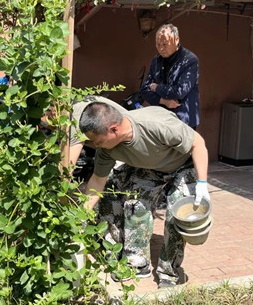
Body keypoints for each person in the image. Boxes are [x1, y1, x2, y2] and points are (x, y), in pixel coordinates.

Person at [80, 102, 210, 288]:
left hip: (184, 164)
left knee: (177, 216)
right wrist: (82, 214)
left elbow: (198, 144)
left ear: (114, 130)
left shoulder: (156, 124)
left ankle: (169, 272)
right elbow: (97, 182)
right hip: (151, 168)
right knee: (135, 205)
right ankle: (138, 263)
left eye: (98, 141)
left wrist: (202, 184)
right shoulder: (106, 149)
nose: (95, 145)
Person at [140, 24, 200, 130]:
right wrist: (163, 101)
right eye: (158, 45)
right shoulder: (156, 60)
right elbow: (144, 90)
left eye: (165, 44)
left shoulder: (190, 60)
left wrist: (156, 87)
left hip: (183, 122)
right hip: (161, 119)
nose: (161, 48)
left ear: (176, 40)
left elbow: (179, 92)